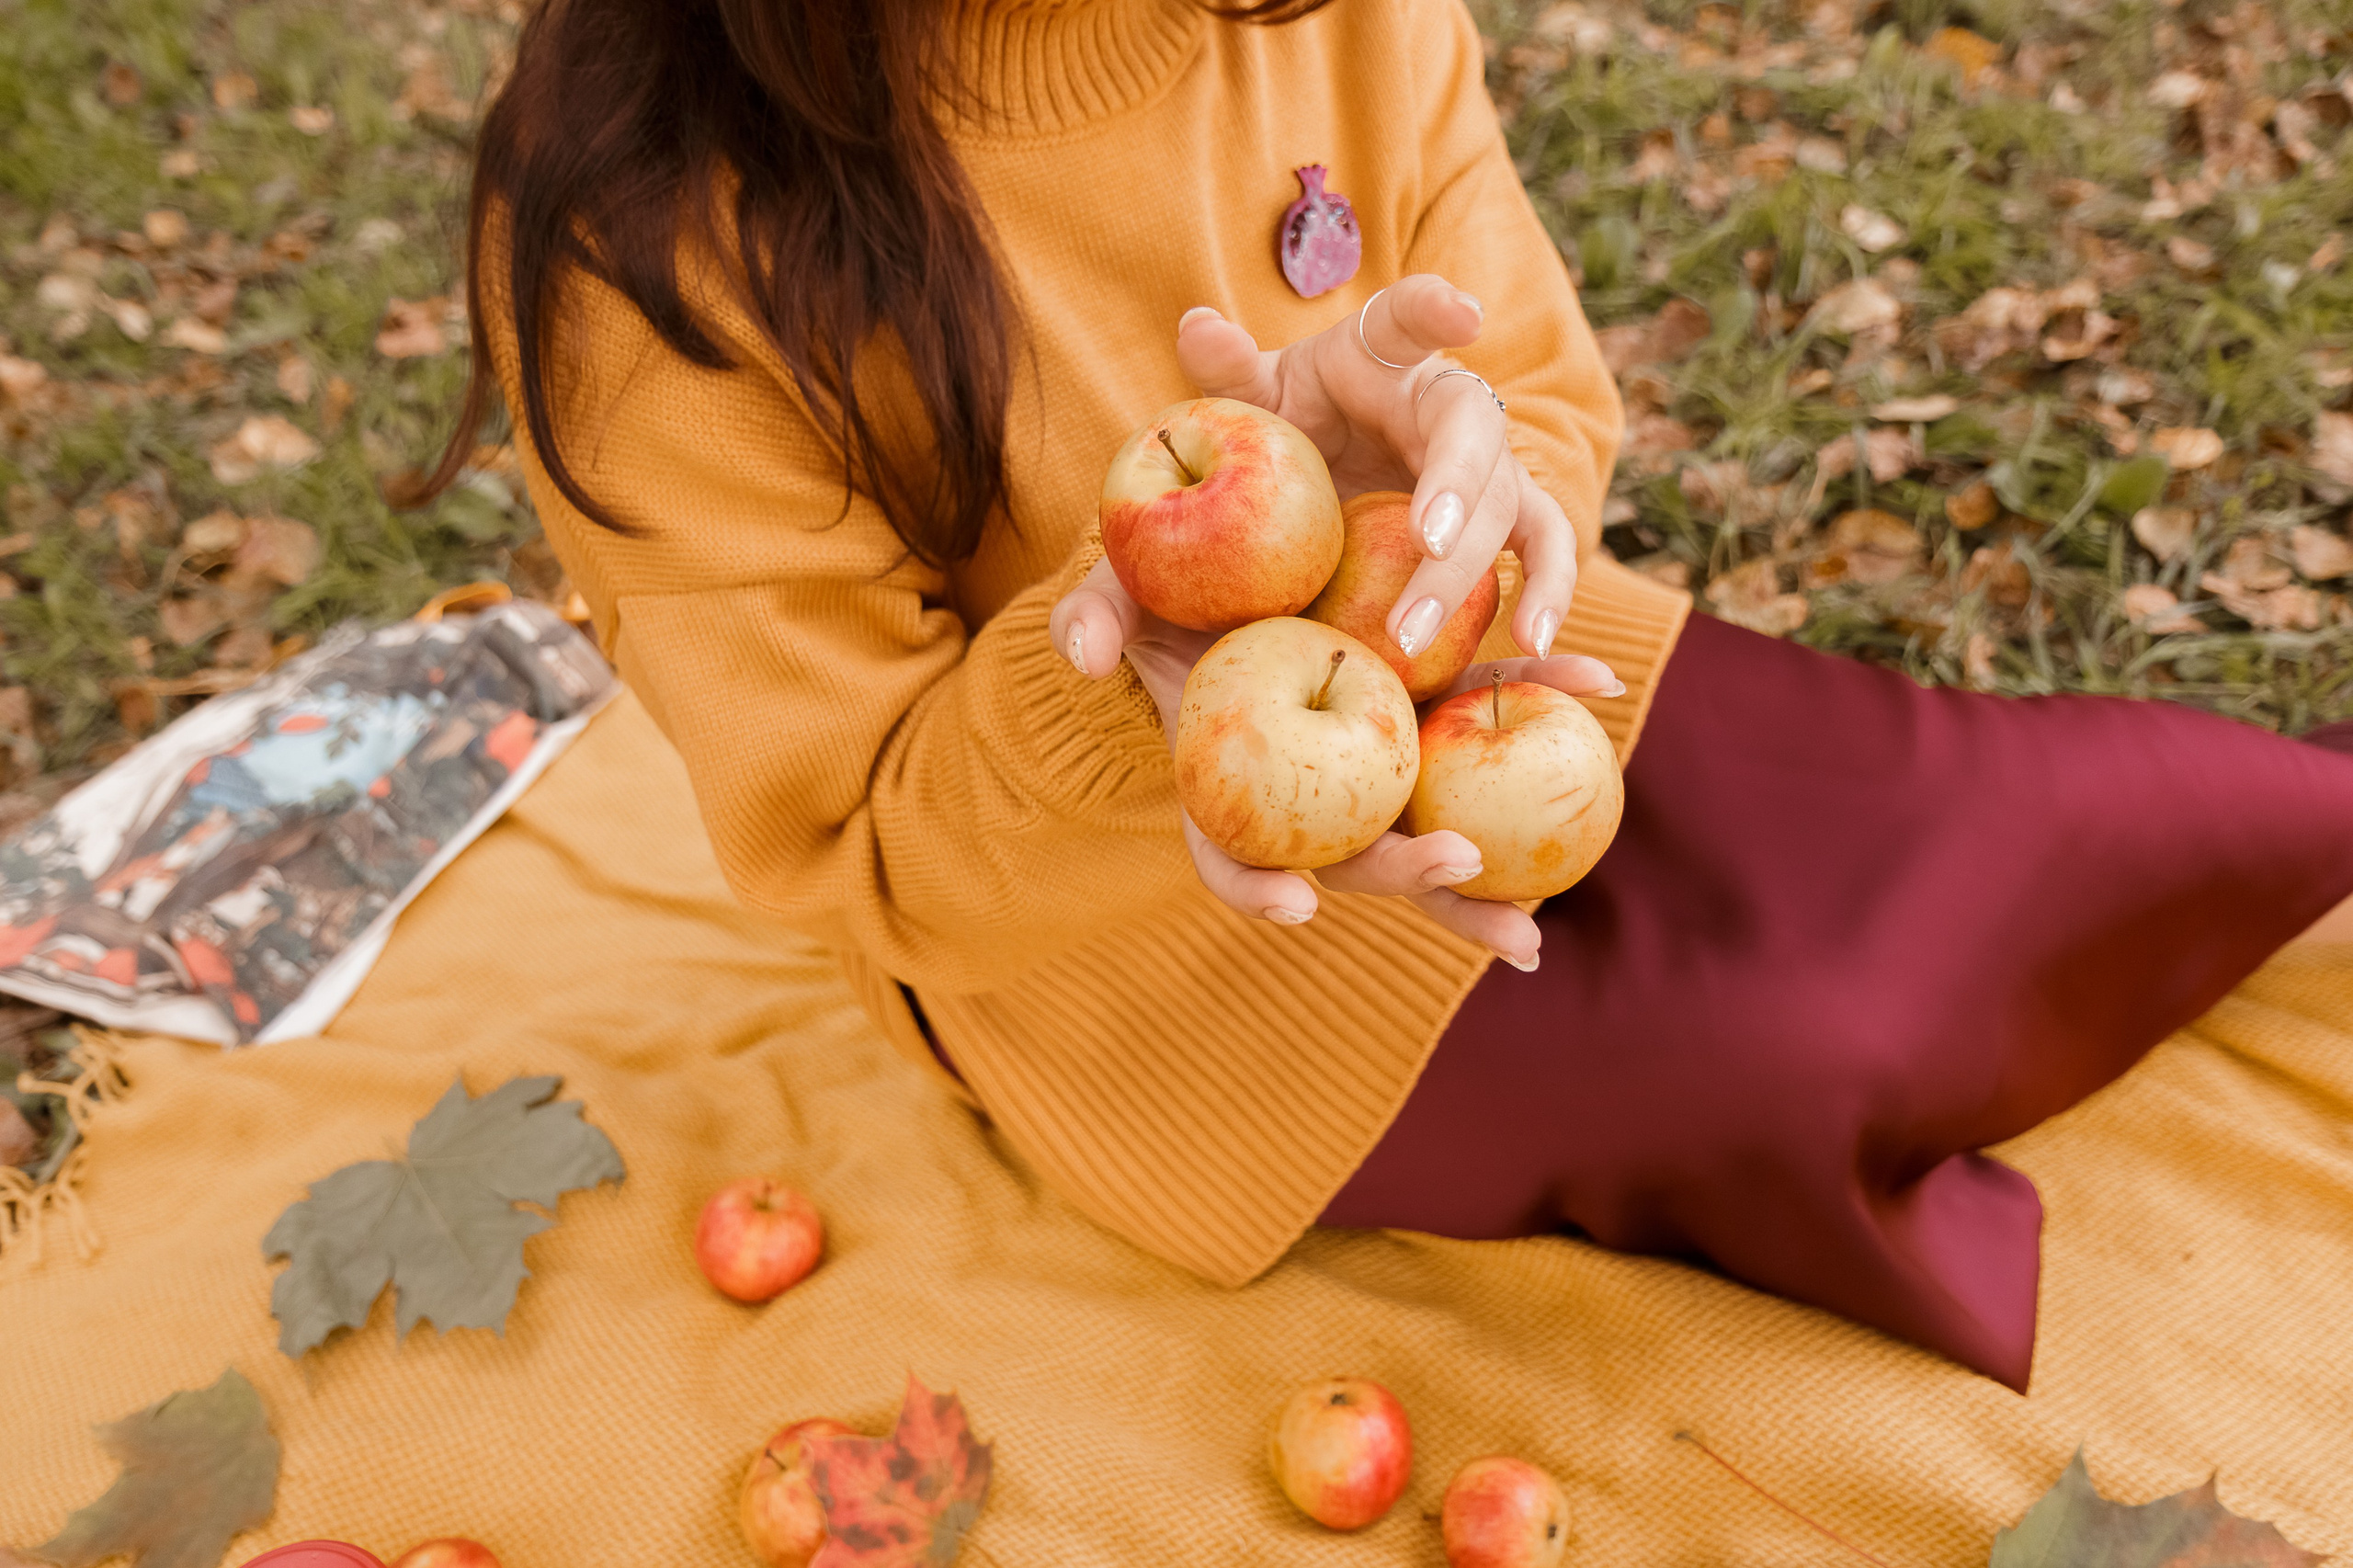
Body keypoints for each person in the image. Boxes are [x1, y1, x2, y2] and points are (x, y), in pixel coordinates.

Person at [425, 0, 2353, 1393]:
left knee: (2125, 811)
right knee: (1817, 1055)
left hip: (1491, 697)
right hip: (1135, 965)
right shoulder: (638, 242)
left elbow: (1531, 391)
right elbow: (860, 846)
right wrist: (1135, 695)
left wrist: (1457, 484)